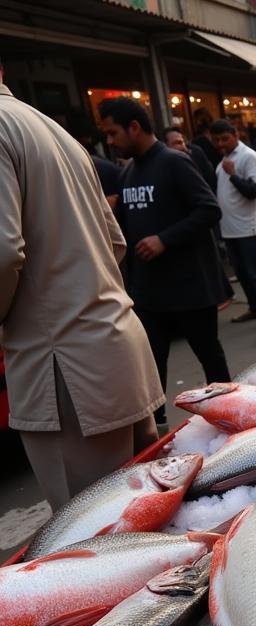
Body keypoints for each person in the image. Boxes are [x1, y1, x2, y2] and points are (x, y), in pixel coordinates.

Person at [1, 72, 161, 509]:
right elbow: (115, 244)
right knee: (145, 519)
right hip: (114, 349)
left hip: (65, 369)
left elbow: (2, 253)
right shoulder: (54, 131)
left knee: (94, 534)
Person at [98, 97, 230, 425]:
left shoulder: (174, 162)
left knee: (211, 360)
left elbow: (209, 209)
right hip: (149, 293)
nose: (110, 141)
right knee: (151, 369)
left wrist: (164, 239)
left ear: (134, 127)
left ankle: (231, 417)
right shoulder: (127, 172)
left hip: (190, 289)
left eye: (113, 133)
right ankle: (156, 431)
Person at [210, 118, 256, 344]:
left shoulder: (248, 156)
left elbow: (253, 191)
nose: (221, 144)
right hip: (229, 229)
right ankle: (255, 308)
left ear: (236, 136)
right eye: (216, 140)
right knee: (242, 274)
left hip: (248, 227)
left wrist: (233, 175)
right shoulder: (223, 161)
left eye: (225, 138)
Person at [163, 126, 233, 309]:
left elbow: (209, 197)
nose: (183, 146)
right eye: (177, 143)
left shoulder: (193, 156)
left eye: (182, 141)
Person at [163, 126, 216, 192]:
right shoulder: (162, 163)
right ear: (165, 145)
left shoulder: (196, 153)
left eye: (184, 142)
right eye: (177, 143)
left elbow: (209, 178)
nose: (183, 147)